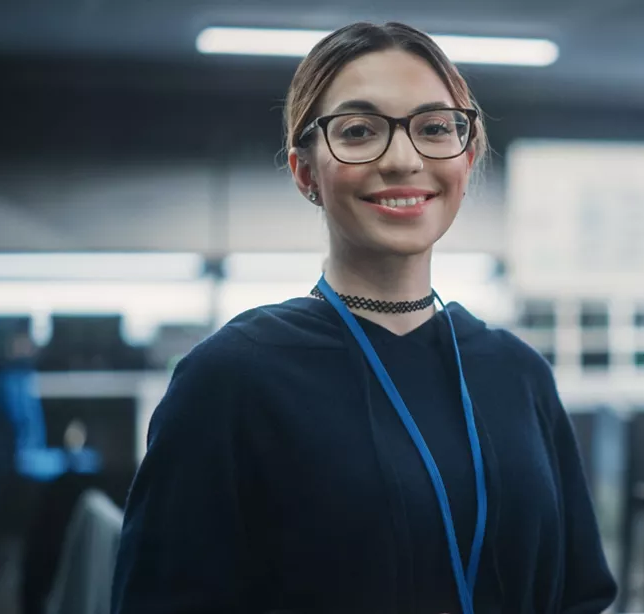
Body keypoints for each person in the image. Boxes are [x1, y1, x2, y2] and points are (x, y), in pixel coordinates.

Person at [110, 21, 618, 614]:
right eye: (358, 131)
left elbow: (581, 596)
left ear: (466, 156)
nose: (403, 159)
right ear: (306, 173)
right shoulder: (231, 378)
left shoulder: (517, 372)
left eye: (433, 128)